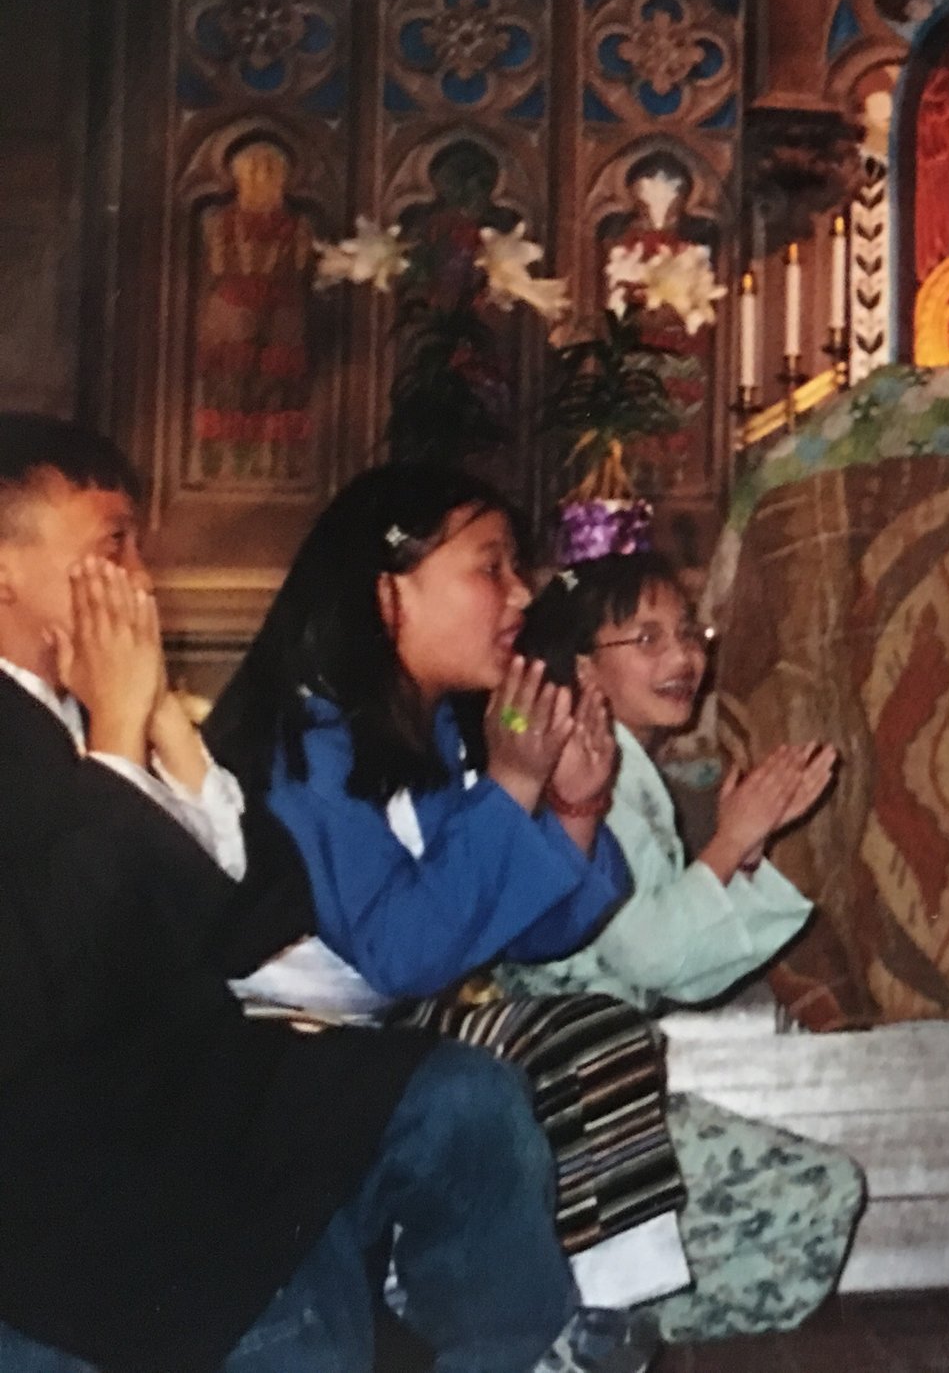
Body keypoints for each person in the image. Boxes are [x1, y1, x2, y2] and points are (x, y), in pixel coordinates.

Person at [0, 414, 646, 1373]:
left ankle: (524, 1347)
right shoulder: (275, 734)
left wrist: (153, 737)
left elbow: (226, 899)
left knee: (464, 1099)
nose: (141, 574)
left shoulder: (76, 714)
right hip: (85, 1143)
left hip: (200, 1076)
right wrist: (117, 741)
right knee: (301, 1312)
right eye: (112, 545)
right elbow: (62, 980)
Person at [207, 465, 692, 1311]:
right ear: (389, 592)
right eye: (490, 567)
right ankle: (522, 1321)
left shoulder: (427, 726)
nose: (521, 594)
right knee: (496, 1081)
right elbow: (404, 949)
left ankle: (599, 1311)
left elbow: (512, 926)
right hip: (261, 1052)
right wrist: (510, 787)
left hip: (372, 1030)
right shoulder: (304, 740)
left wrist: (574, 804)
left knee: (593, 1035)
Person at [501, 552, 866, 1343]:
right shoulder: (581, 768)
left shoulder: (631, 771)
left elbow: (679, 967)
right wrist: (732, 838)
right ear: (582, 668)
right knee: (815, 1197)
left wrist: (744, 849)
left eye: (689, 632)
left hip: (609, 1085)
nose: (684, 657)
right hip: (566, 1100)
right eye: (647, 636)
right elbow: (655, 955)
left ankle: (579, 1317)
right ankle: (568, 1321)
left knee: (816, 1202)